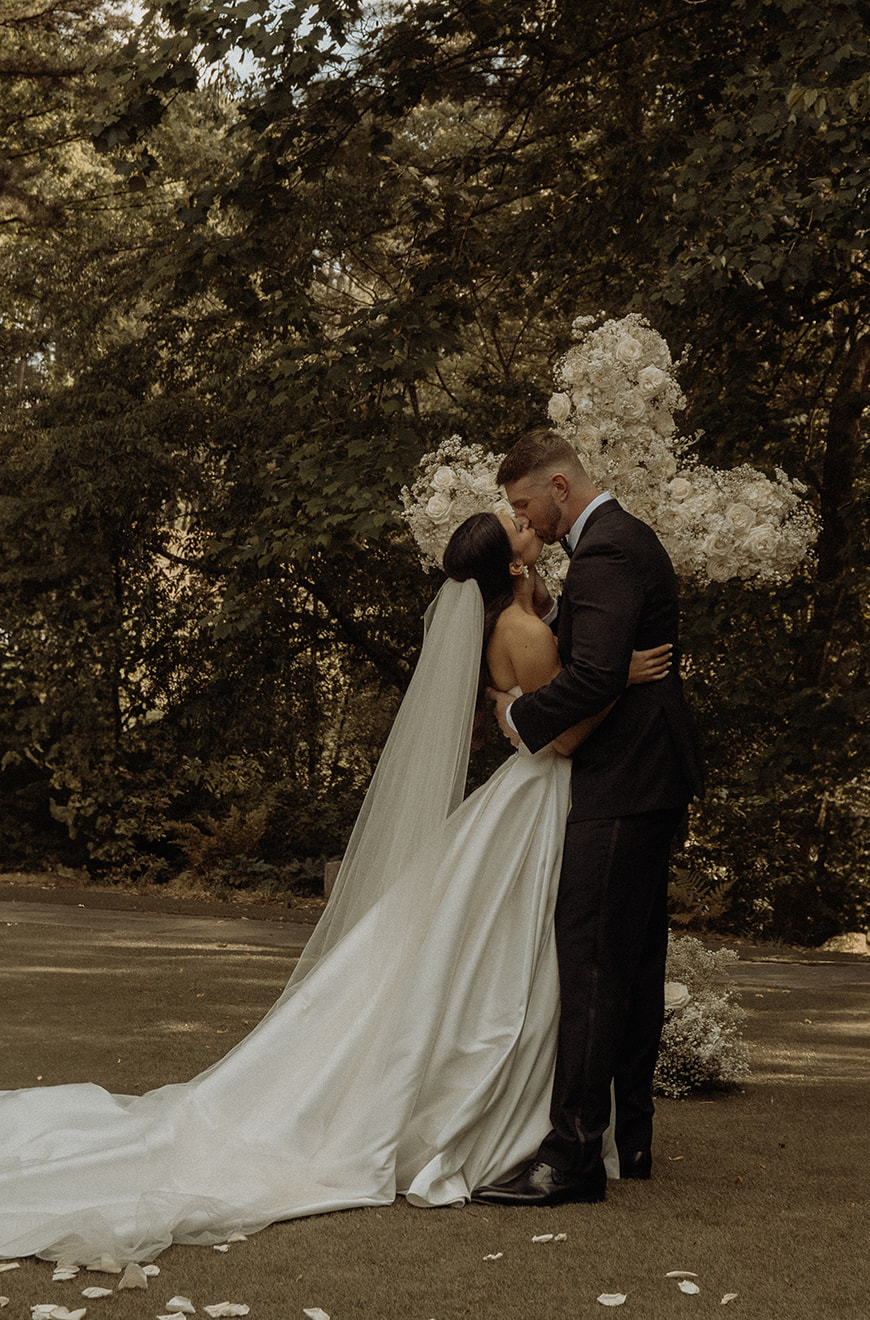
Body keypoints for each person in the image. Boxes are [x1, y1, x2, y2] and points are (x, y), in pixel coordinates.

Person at [0, 510, 668, 1266]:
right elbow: (566, 731)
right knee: (521, 952)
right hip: (543, 797)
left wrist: (519, 699)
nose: (527, 529)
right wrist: (615, 679)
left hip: (522, 796)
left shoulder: (507, 621)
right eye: (514, 529)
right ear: (511, 566)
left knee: (493, 949)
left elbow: (525, 708)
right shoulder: (523, 630)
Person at [473, 430, 703, 1209]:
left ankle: (572, 1156)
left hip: (622, 778)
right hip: (648, 774)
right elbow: (605, 662)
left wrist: (515, 715)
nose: (523, 519)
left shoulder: (605, 551)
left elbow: (595, 673)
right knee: (632, 964)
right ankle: (628, 1139)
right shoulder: (622, 540)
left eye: (524, 503)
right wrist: (606, 668)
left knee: (593, 963)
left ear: (560, 487)